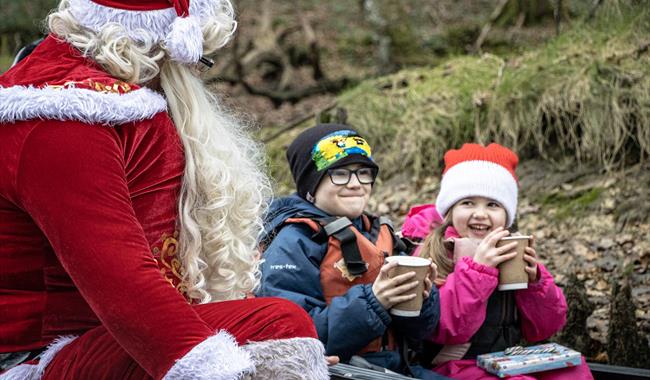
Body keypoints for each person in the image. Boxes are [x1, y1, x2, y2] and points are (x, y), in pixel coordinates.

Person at [0, 1, 331, 379]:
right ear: (162, 48)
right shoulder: (63, 120)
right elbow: (123, 285)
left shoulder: (107, 107)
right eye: (197, 60)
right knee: (277, 325)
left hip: (94, 342)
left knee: (266, 325)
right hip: (35, 359)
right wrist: (222, 367)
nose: (195, 72)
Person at [257, 123, 446, 379]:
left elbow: (420, 335)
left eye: (364, 173)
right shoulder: (293, 243)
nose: (356, 184)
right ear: (311, 185)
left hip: (398, 366)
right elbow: (294, 339)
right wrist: (374, 301)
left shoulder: (377, 231)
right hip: (339, 371)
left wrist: (423, 299)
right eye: (341, 173)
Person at [402, 143, 594, 379]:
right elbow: (443, 328)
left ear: (507, 216)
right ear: (450, 211)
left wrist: (535, 284)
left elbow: (544, 329)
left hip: (507, 358)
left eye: (492, 204)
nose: (480, 213)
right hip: (453, 364)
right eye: (468, 202)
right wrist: (478, 271)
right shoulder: (433, 252)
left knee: (574, 372)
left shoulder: (512, 250)